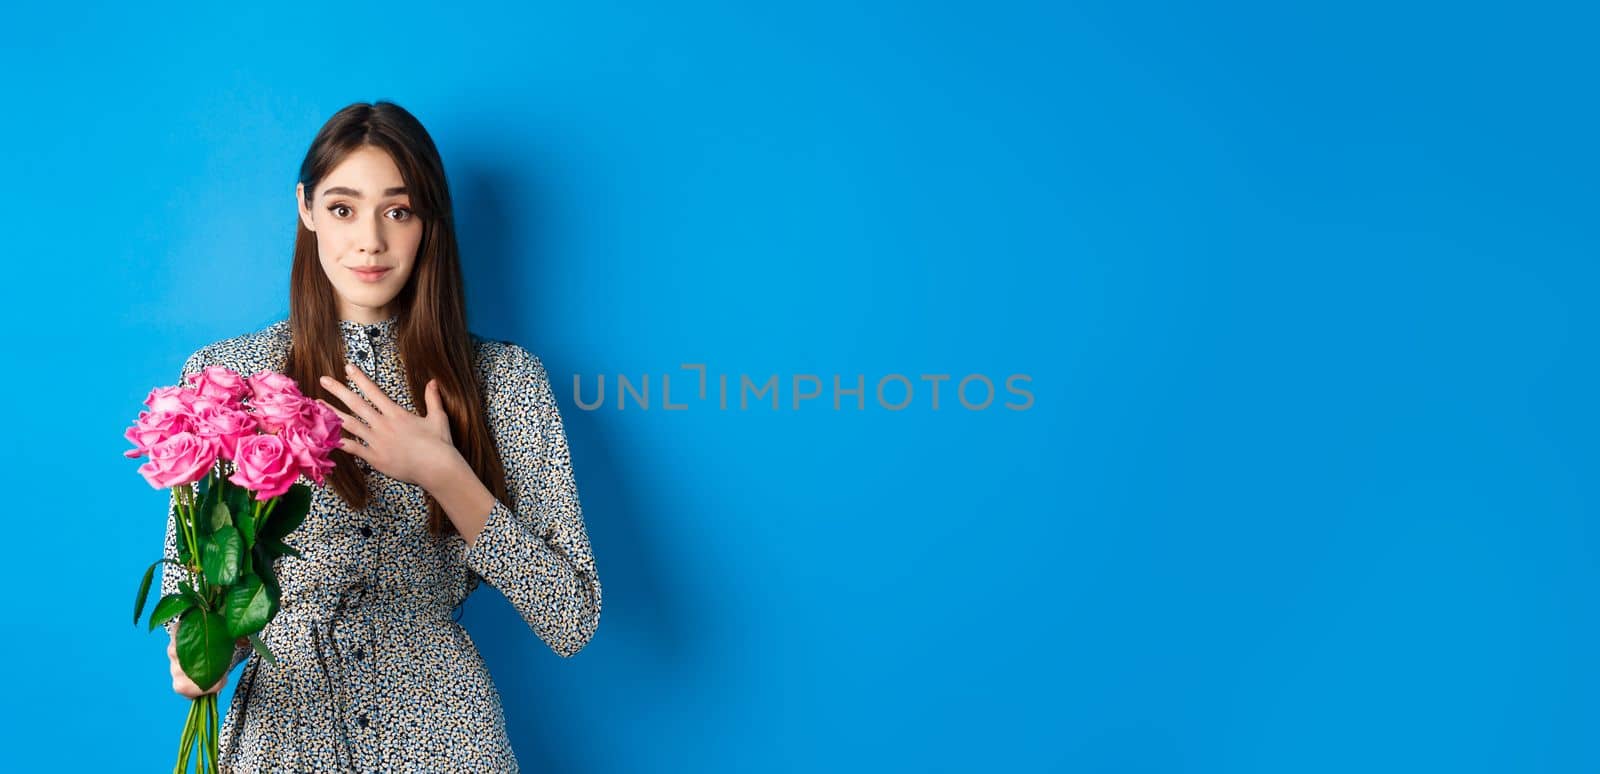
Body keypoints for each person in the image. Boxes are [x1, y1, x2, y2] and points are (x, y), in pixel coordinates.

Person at [158, 101, 603, 771]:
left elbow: (571, 619)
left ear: (429, 223)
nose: (370, 240)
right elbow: (196, 586)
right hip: (285, 739)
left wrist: (444, 473)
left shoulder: (504, 381)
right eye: (342, 208)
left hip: (446, 741)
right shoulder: (229, 381)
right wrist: (204, 654)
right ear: (306, 209)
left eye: (398, 211)